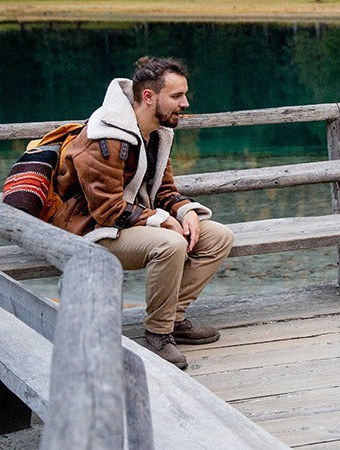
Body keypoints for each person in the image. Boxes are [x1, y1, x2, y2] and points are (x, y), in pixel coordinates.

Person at [51, 56, 233, 370]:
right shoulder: (105, 137)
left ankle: (173, 318)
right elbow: (107, 210)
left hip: (125, 223)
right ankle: (158, 335)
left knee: (217, 237)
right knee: (170, 244)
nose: (185, 103)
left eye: (184, 95)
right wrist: (162, 220)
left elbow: (163, 190)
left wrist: (184, 210)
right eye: (177, 96)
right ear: (148, 97)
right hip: (89, 231)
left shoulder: (158, 133)